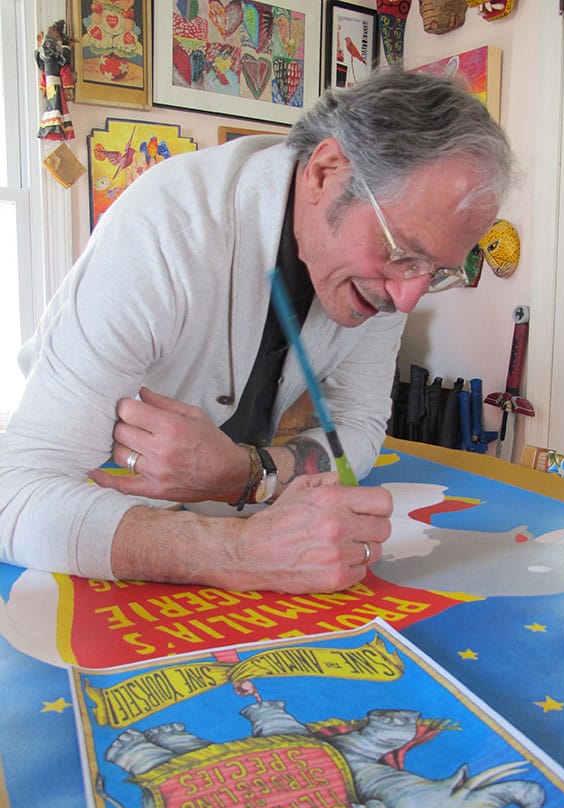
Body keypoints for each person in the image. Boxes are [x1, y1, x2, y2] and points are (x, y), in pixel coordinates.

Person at [0, 71, 513, 593]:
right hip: (78, 539)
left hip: (203, 530)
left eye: (435, 271)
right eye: (402, 252)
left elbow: (358, 425)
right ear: (325, 172)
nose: (406, 298)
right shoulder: (166, 231)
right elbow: (14, 495)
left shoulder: (390, 277)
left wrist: (248, 473)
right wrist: (240, 552)